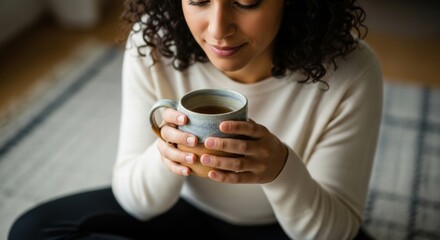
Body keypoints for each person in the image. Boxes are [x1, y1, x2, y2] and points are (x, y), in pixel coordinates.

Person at [8, 0, 383, 239]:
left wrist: (281, 170)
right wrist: (171, 152)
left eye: (246, 1)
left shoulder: (351, 71)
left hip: (286, 229)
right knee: (33, 231)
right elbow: (138, 203)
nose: (218, 29)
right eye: (199, 0)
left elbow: (335, 231)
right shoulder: (155, 42)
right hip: (183, 215)